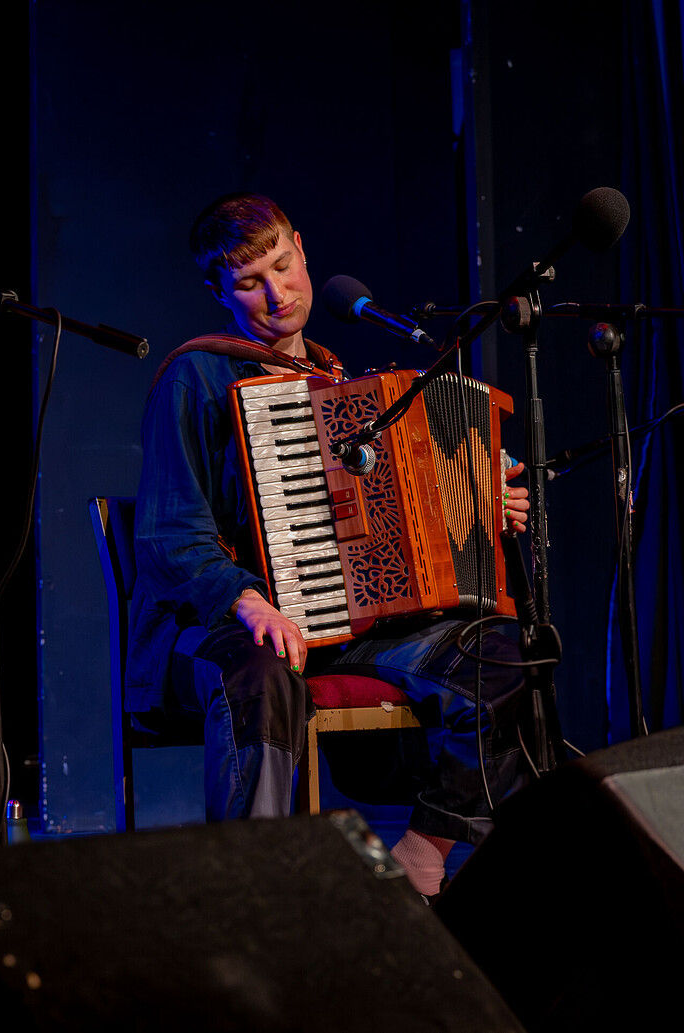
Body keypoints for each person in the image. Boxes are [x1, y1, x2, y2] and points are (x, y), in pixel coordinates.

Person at [128, 192, 532, 897]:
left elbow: (394, 537)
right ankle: (255, 886)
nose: (276, 293)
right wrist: (246, 598)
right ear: (217, 289)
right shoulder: (195, 377)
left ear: (303, 250)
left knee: (500, 649)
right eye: (250, 282)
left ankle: (425, 849)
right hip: (215, 632)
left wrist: (481, 500)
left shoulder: (340, 384)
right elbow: (170, 536)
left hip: (347, 630)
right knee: (262, 670)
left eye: (283, 266)